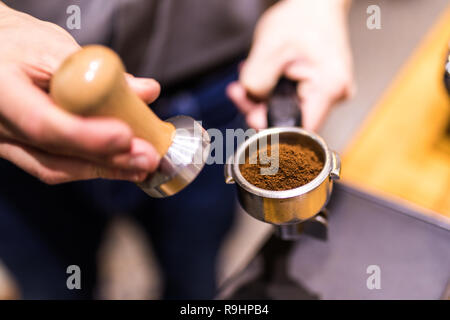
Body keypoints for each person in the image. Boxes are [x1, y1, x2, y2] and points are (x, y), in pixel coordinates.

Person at [0, 0, 353, 299]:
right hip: (16, 103)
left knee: (194, 279)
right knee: (51, 285)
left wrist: (316, 6)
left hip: (215, 91)